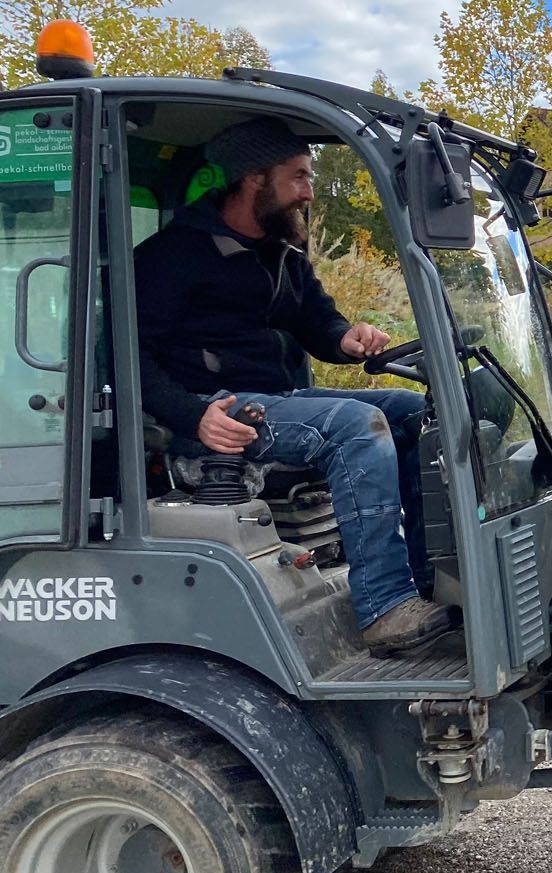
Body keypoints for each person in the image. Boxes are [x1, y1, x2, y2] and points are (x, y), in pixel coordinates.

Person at [134, 117, 452, 655]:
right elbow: (130, 356)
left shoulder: (284, 255)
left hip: (275, 401)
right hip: (219, 412)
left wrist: (347, 338)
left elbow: (319, 325)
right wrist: (192, 416)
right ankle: (382, 606)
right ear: (255, 179)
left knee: (415, 410)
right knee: (357, 426)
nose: (308, 192)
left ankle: (422, 582)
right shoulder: (171, 256)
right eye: (299, 177)